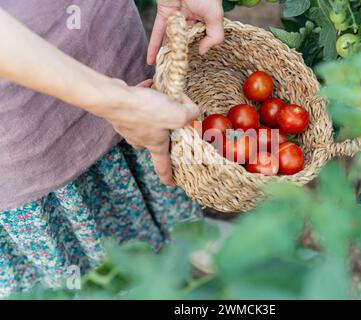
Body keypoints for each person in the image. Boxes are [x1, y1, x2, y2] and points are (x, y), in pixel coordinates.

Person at [0, 0, 224, 297]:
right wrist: (116, 103)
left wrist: (119, 102)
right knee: (93, 280)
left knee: (169, 243)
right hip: (23, 137)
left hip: (113, 52)